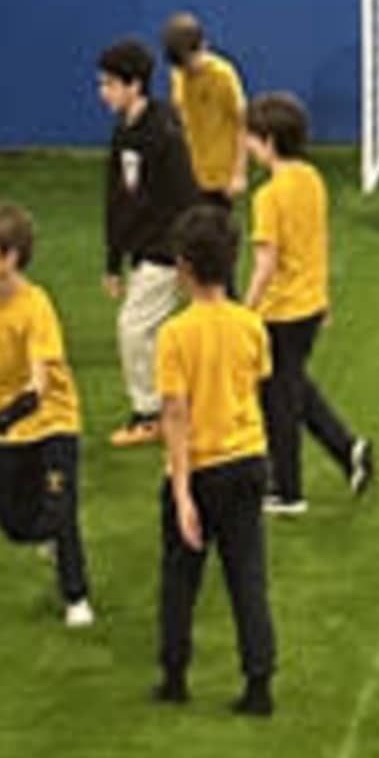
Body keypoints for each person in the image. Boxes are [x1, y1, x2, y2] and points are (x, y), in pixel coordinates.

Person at [153, 198, 276, 717]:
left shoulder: (175, 335)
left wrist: (182, 492)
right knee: (247, 573)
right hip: (248, 459)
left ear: (183, 266)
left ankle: (175, 674)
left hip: (200, 466)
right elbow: (256, 383)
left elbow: (176, 415)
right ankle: (259, 682)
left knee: (181, 577)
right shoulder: (250, 325)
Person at [242, 94, 372, 517]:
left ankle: (287, 490)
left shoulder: (268, 197)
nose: (246, 145)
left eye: (251, 137)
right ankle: (348, 448)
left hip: (280, 312)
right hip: (310, 307)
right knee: (293, 387)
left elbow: (266, 262)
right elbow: (319, 241)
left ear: (268, 140)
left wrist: (245, 311)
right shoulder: (312, 179)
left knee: (279, 401)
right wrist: (324, 296)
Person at [0, 203, 94, 627]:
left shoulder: (36, 307)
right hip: (9, 435)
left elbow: (38, 388)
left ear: (11, 257)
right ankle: (50, 538)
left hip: (52, 423)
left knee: (61, 509)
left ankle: (76, 596)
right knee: (12, 522)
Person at [96, 42, 199, 445]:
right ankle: (173, 404)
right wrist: (112, 260)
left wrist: (184, 255)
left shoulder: (163, 135)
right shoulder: (125, 129)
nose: (102, 92)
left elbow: (184, 196)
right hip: (145, 250)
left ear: (134, 85)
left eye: (109, 84)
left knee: (134, 328)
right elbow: (117, 199)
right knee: (150, 330)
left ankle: (149, 412)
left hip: (167, 251)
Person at [161, 14, 247, 247]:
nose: (187, 70)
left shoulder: (223, 76)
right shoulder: (178, 75)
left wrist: (238, 173)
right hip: (187, 175)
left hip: (219, 179)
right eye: (181, 65)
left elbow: (242, 124)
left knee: (217, 250)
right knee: (188, 248)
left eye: (190, 62)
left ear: (203, 47)